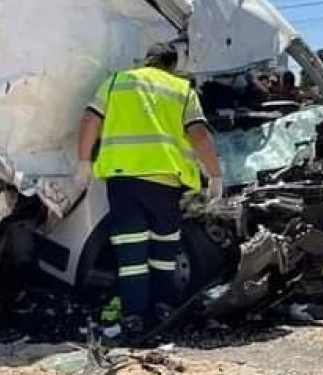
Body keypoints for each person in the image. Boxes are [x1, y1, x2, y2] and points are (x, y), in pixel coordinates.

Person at [74, 42, 223, 337]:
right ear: (172, 65)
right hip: (165, 184)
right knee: (163, 253)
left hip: (124, 181)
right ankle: (162, 309)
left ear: (146, 60)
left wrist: (83, 161)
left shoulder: (117, 82)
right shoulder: (182, 90)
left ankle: (133, 317)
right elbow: (199, 135)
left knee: (131, 255)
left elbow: (91, 119)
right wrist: (215, 175)